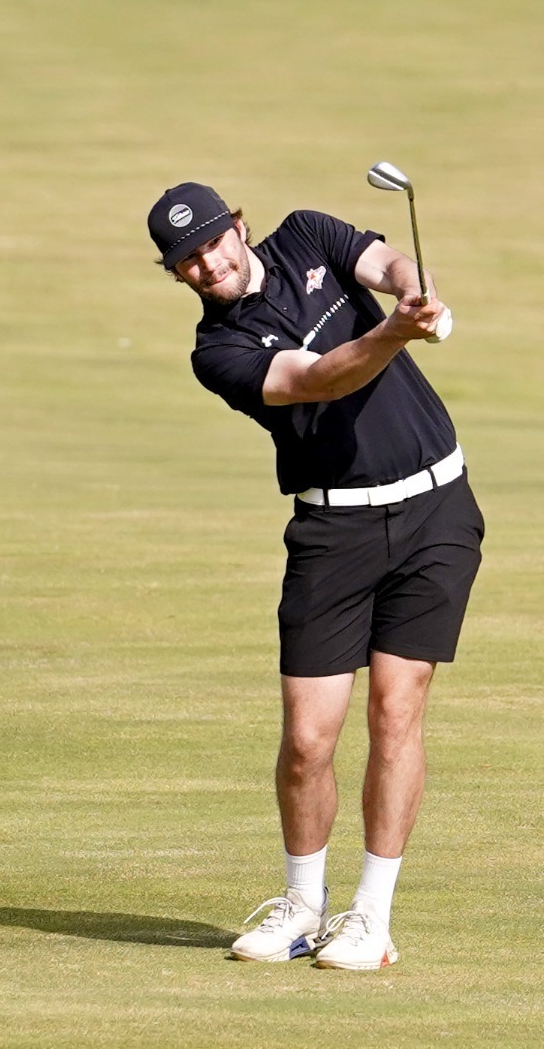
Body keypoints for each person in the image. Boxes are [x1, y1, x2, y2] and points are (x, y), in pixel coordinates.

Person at [146, 181, 484, 972]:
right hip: (334, 533)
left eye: (212, 243)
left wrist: (415, 294)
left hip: (437, 509)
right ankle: (303, 907)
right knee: (307, 741)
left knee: (396, 712)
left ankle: (371, 916)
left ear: (238, 226)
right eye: (186, 261)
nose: (207, 264)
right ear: (177, 276)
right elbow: (319, 379)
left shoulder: (307, 235)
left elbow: (388, 260)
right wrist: (399, 335)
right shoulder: (216, 353)